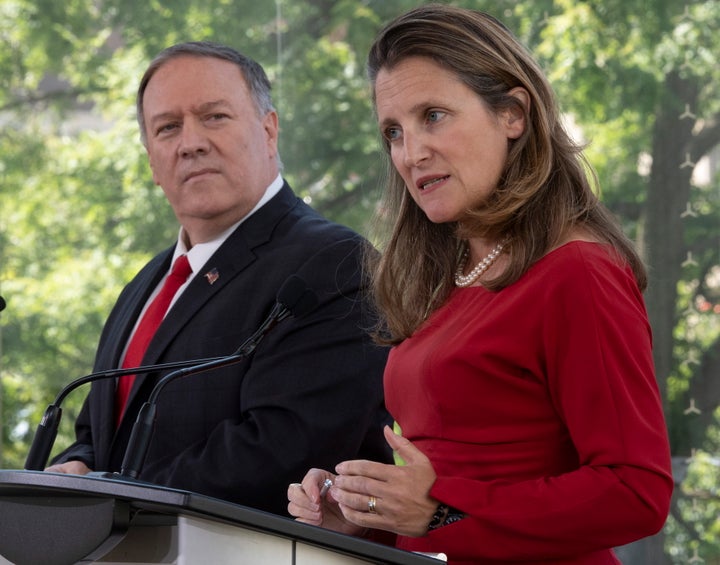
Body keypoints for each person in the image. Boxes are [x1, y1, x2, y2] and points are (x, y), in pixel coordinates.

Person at [287, 5, 673, 564]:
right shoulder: (452, 277)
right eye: (393, 131)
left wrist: (440, 506)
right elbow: (447, 488)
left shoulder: (579, 272)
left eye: (434, 116)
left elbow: (637, 492)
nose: (410, 152)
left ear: (513, 113)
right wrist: (370, 514)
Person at [46, 41, 392, 517]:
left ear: (269, 131)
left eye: (214, 117)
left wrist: (110, 492)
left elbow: (284, 448)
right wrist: (75, 470)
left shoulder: (334, 264)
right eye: (168, 128)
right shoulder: (146, 286)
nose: (191, 142)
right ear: (151, 159)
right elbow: (99, 436)